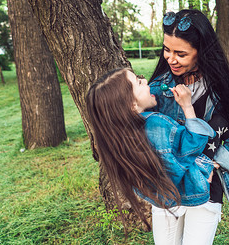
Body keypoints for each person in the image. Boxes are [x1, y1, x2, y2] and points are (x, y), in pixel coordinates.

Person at [148, 9, 229, 243]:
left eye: (181, 53)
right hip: (167, 185)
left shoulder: (223, 90)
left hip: (205, 187)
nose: (171, 59)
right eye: (167, 49)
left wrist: (217, 159)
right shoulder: (158, 88)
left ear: (201, 52)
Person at [85, 68, 217, 241]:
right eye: (139, 82)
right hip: (192, 193)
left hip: (163, 202)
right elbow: (193, 143)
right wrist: (186, 105)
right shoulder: (156, 124)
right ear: (132, 105)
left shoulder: (119, 142)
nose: (146, 81)